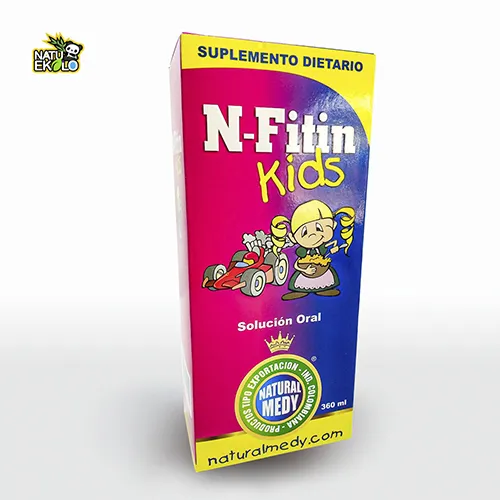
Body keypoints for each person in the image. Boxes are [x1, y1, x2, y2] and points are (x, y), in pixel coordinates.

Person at [270, 200, 355, 301]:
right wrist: (305, 270)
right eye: (305, 232)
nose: (313, 235)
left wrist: (334, 249)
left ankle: (324, 289)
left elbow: (328, 252)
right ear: (293, 237)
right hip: (305, 273)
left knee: (326, 279)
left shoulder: (322, 248)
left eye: (319, 228)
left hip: (322, 271)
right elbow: (296, 264)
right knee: (301, 283)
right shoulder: (302, 251)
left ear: (333, 225)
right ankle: (300, 291)